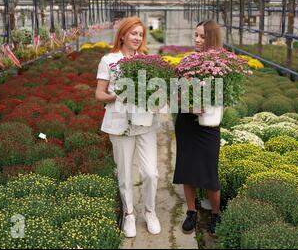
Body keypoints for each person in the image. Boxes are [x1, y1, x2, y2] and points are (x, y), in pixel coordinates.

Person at [95, 17, 161, 238]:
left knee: (151, 173)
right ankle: (129, 214)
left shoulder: (147, 61)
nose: (137, 38)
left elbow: (157, 92)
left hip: (145, 123)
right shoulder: (109, 60)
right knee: (124, 173)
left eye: (140, 34)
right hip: (120, 123)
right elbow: (99, 94)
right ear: (122, 35)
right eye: (133, 33)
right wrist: (116, 96)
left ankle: (150, 212)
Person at [173, 20, 222, 236]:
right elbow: (176, 94)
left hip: (209, 124)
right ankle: (191, 212)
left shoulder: (221, 63)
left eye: (202, 36)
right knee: (187, 168)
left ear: (212, 38)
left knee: (210, 171)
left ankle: (215, 214)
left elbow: (225, 96)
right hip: (186, 122)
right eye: (195, 35)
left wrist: (211, 106)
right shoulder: (187, 62)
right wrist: (189, 106)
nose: (197, 40)